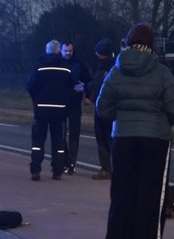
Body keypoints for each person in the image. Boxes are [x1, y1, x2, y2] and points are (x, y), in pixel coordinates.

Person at [96, 23, 174, 239]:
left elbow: (102, 108)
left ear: (128, 42)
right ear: (152, 45)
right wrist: (161, 119)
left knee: (121, 195)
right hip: (155, 140)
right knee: (151, 197)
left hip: (123, 138)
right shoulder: (161, 73)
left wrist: (121, 118)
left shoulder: (116, 72)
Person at [26, 40, 72, 181]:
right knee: (58, 142)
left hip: (41, 110)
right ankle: (57, 171)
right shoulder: (66, 68)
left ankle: (35, 170)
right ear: (58, 51)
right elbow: (70, 88)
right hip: (59, 111)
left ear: (47, 50)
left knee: (38, 141)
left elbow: (30, 85)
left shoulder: (39, 66)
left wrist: (37, 99)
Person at [87, 38, 117, 180]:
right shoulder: (114, 67)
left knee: (105, 140)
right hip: (108, 108)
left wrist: (90, 96)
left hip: (106, 109)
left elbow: (98, 87)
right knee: (108, 139)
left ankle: (107, 169)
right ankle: (110, 168)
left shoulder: (107, 69)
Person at [60, 41, 92, 175]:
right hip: (60, 104)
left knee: (74, 135)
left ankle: (71, 164)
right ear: (61, 51)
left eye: (70, 51)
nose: (68, 53)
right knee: (60, 135)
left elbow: (89, 80)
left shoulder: (80, 65)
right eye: (66, 51)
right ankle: (62, 162)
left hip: (74, 104)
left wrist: (87, 94)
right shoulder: (57, 64)